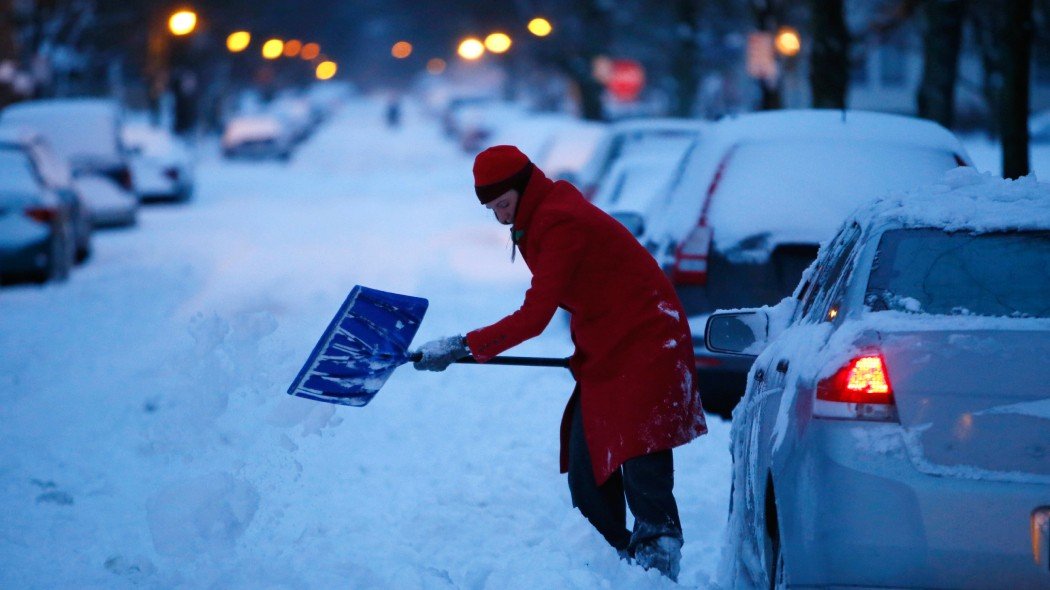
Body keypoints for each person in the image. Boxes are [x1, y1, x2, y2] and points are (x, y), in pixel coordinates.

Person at [413, 145, 707, 581]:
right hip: (612, 346)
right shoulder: (542, 214)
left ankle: (657, 563)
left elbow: (535, 317)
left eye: (504, 205)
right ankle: (613, 565)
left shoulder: (558, 220)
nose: (500, 218)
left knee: (640, 454)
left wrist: (463, 344)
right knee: (588, 470)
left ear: (523, 187)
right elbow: (595, 290)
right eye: (491, 209)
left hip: (648, 342)